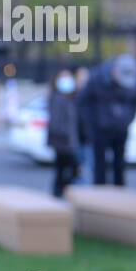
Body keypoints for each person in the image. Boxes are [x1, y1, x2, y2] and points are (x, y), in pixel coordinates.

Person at [77, 53, 136, 186]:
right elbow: (82, 102)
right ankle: (99, 195)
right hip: (100, 130)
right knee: (99, 166)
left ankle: (119, 195)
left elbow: (135, 102)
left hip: (121, 128)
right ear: (114, 71)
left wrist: (127, 120)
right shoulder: (96, 78)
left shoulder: (133, 80)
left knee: (120, 164)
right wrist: (92, 123)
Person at [46, 68, 81, 197]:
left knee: (65, 170)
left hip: (68, 141)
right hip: (62, 142)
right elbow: (56, 122)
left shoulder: (71, 97)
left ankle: (62, 192)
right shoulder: (56, 98)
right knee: (64, 169)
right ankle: (60, 193)